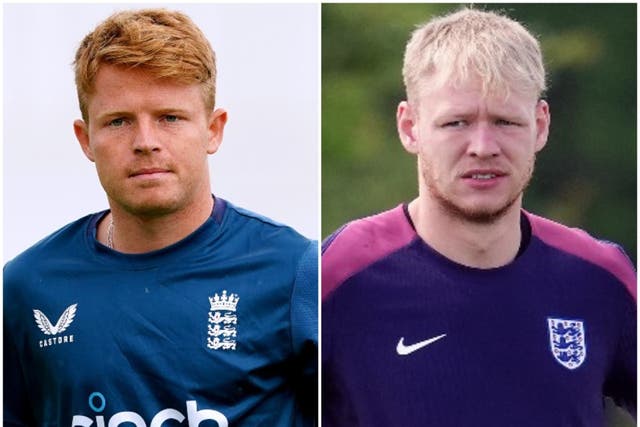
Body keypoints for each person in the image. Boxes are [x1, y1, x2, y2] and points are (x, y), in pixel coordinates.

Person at [321, 7, 636, 426]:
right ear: (410, 126)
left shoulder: (601, 276)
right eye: (457, 123)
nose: (483, 146)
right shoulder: (337, 276)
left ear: (540, 126)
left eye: (506, 121)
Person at [4, 8, 317, 426]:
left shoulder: (296, 272)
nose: (145, 142)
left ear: (213, 129)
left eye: (170, 118)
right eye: (118, 122)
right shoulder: (27, 286)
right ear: (86, 139)